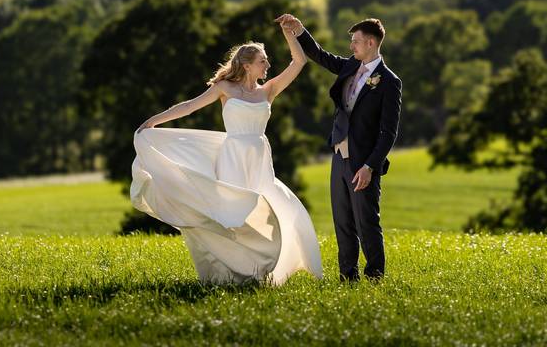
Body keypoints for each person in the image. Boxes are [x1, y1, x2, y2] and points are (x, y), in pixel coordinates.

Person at [130, 20, 322, 285]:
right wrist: (153, 121)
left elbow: (299, 61)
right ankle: (229, 273)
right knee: (232, 214)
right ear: (247, 65)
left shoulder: (269, 90)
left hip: (258, 157)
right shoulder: (225, 88)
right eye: (263, 61)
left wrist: (289, 33)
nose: (267, 65)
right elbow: (189, 107)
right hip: (233, 155)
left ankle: (261, 270)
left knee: (267, 209)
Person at [275, 14, 402, 281]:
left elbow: (388, 133)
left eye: (355, 41)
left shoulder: (389, 82)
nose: (351, 46)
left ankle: (375, 277)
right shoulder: (349, 67)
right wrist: (300, 31)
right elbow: (320, 56)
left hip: (363, 162)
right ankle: (347, 277)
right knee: (343, 221)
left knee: (366, 222)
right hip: (339, 155)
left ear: (370, 43)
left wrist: (370, 166)